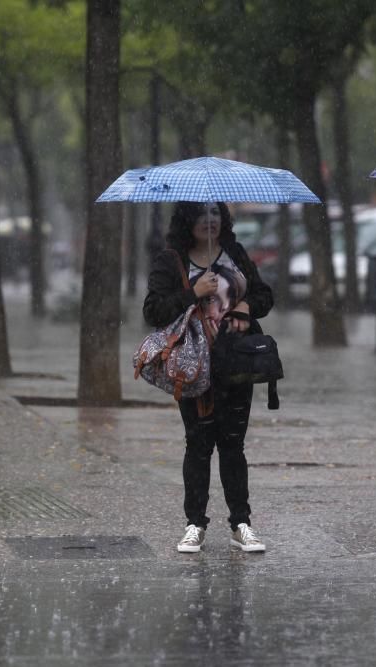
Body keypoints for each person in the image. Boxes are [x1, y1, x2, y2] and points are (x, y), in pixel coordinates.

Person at [143, 201, 274, 553]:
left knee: (233, 445)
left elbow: (264, 295)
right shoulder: (171, 260)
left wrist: (247, 307)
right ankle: (194, 524)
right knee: (198, 446)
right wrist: (193, 293)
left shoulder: (234, 252)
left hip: (236, 362)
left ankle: (241, 524)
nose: (209, 220)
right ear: (188, 220)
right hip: (193, 366)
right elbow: (153, 311)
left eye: (215, 213)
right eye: (201, 214)